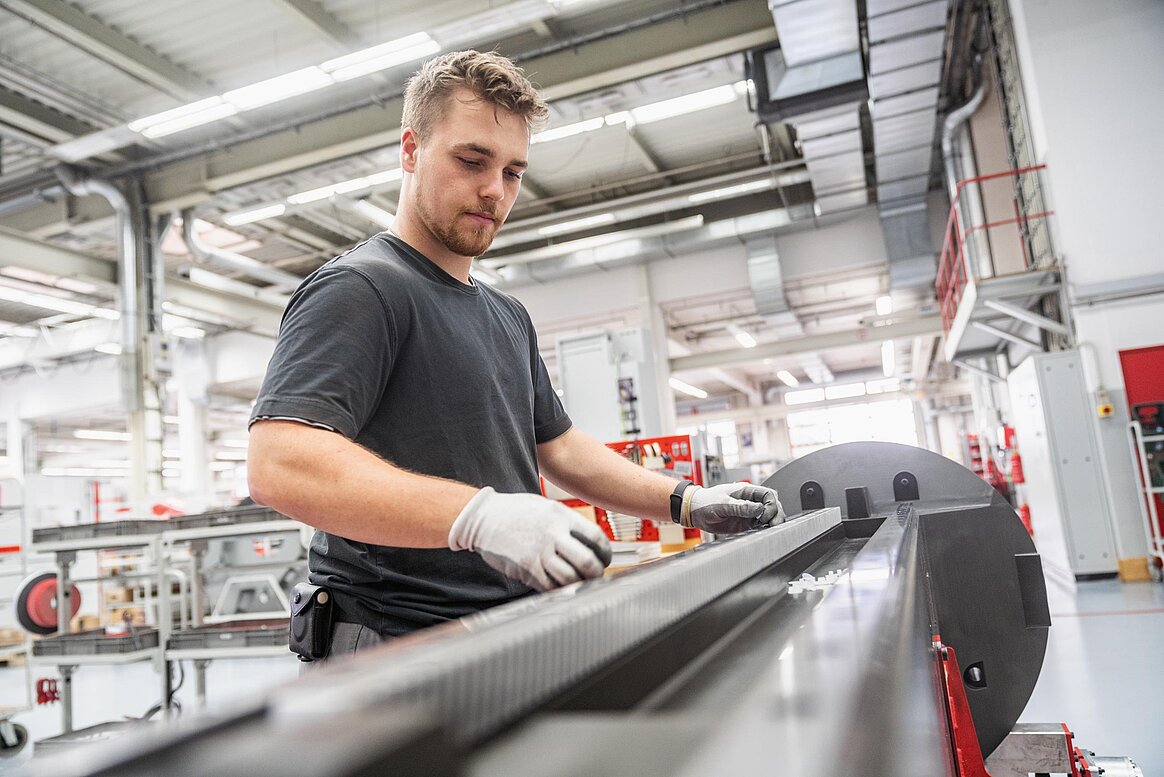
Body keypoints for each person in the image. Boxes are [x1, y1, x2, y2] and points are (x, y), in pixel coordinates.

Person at [247, 50, 783, 658]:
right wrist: (479, 516)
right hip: (392, 645)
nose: (493, 190)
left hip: (501, 631)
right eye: (472, 160)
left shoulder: (505, 314)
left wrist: (686, 502)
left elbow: (558, 447)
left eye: (513, 172)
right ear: (410, 150)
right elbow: (280, 464)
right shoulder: (363, 290)